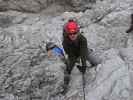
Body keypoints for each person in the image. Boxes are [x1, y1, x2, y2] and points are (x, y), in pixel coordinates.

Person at [61, 19, 101, 94]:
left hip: (84, 51)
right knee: (69, 68)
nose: (72, 35)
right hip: (73, 54)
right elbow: (71, 55)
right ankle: (66, 84)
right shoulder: (65, 42)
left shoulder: (82, 39)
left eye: (74, 33)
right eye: (70, 34)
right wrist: (75, 62)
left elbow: (83, 52)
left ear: (77, 32)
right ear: (67, 33)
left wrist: (84, 65)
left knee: (97, 61)